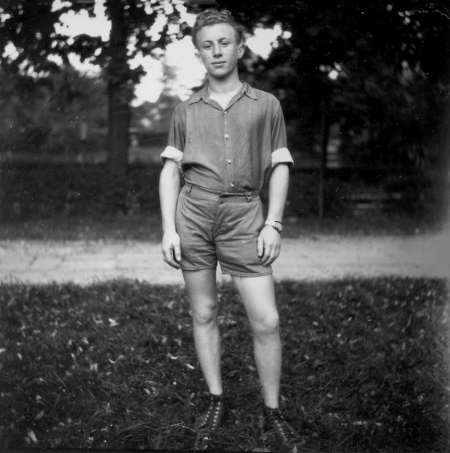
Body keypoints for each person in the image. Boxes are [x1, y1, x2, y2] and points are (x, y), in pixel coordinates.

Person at [159, 8, 302, 449]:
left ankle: (272, 411)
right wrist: (169, 229)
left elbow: (279, 166)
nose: (217, 51)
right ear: (199, 52)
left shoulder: (266, 105)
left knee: (267, 319)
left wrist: (273, 223)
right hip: (194, 215)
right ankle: (215, 399)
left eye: (225, 42)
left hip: (245, 216)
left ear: (239, 48)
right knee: (204, 312)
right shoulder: (185, 111)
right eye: (207, 44)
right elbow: (170, 171)